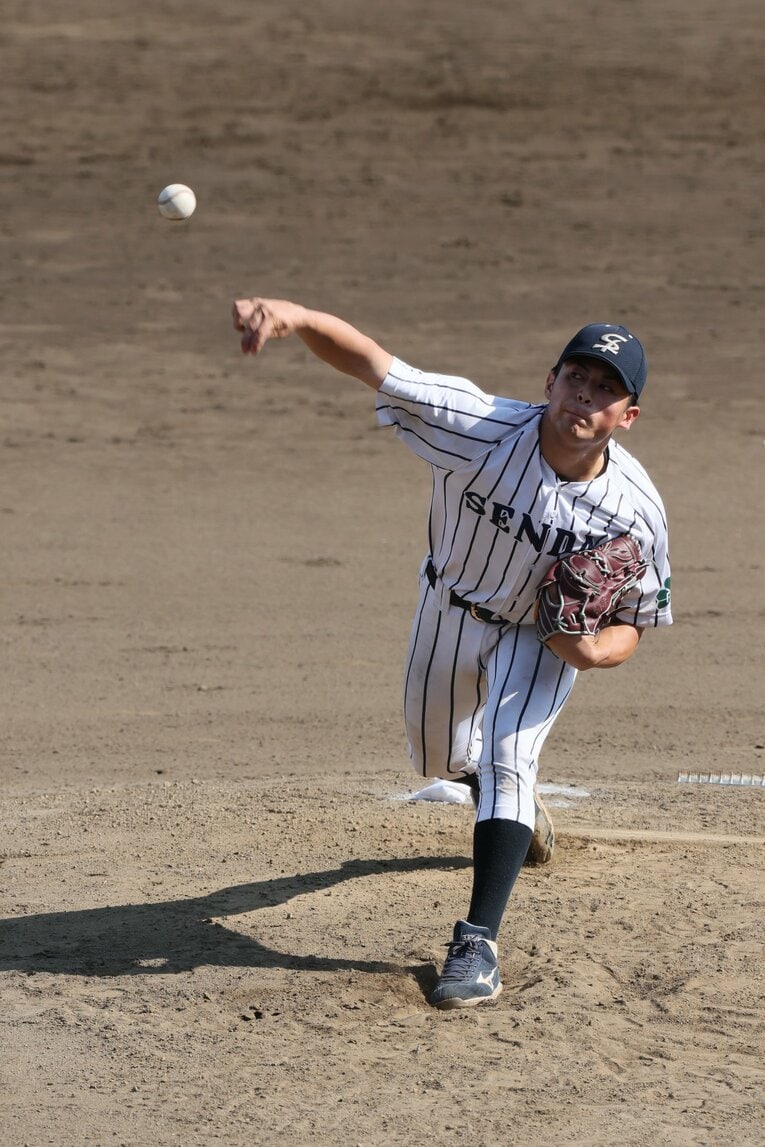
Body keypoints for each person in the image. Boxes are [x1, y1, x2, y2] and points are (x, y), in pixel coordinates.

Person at [231, 298, 673, 1009]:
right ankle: (507, 804)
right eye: (576, 377)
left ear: (627, 415)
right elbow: (377, 366)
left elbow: (636, 619)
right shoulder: (477, 426)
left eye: (606, 388)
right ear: (550, 381)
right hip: (449, 608)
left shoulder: (635, 510)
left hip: (541, 640)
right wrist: (292, 317)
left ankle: (477, 942)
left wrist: (592, 653)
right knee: (437, 758)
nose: (585, 394)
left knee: (508, 757)